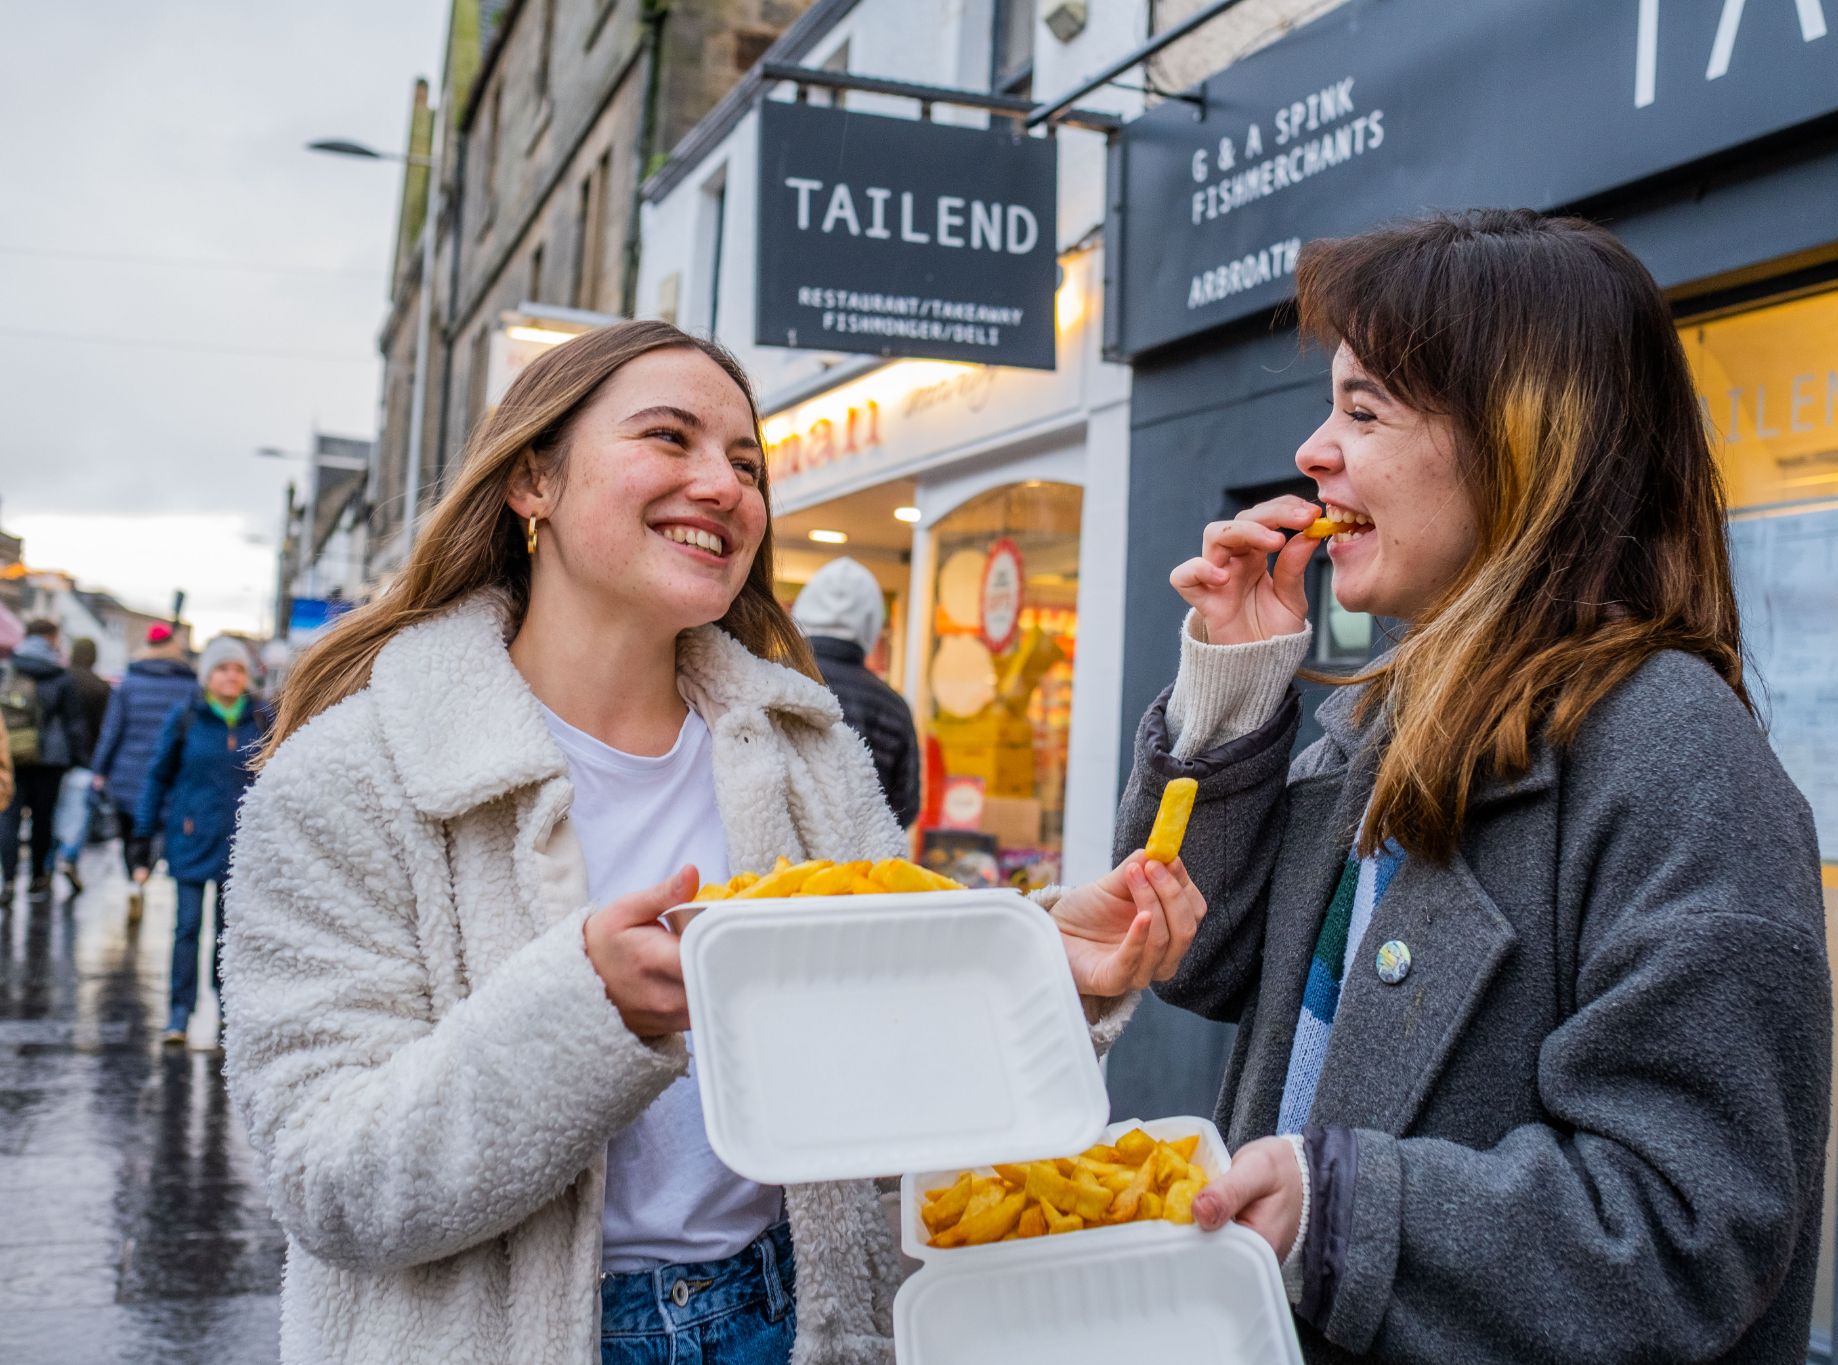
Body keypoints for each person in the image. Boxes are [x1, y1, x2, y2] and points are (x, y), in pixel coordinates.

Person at [222, 321, 1204, 1365]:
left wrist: (1040, 969)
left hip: (794, 1319)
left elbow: (893, 1098)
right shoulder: (355, 773)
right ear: (531, 484)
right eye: (668, 438)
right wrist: (585, 1007)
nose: (725, 486)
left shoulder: (806, 752)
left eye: (745, 463)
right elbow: (327, 1179)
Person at [1115, 211, 1832, 1364]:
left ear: (1523, 444)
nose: (1312, 450)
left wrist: (1339, 1213)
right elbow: (1194, 956)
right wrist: (1237, 688)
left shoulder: (1678, 755)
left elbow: (1683, 1226)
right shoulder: (1382, 716)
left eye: (1364, 409)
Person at [132, 637, 272, 1045]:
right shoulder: (185, 718)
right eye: (222, 668)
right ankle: (179, 1014)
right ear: (207, 675)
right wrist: (143, 835)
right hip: (190, 839)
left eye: (238, 669)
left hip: (241, 845)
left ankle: (227, 1010)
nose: (231, 676)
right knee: (187, 928)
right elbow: (158, 777)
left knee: (229, 933)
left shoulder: (261, 719)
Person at [790, 557, 920, 827]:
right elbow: (905, 807)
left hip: (767, 865)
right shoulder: (893, 707)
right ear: (872, 625)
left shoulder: (768, 676)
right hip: (859, 865)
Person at [91, 622, 198, 921]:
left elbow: (112, 731)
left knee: (131, 832)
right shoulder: (188, 685)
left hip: (128, 770)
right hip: (169, 774)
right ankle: (145, 872)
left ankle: (133, 879)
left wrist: (100, 768)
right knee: (158, 829)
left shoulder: (128, 682)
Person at [0, 619, 90, 900]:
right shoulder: (59, 673)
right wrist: (79, 758)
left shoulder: (9, 668)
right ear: (51, 638)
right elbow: (74, 723)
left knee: (9, 818)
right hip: (50, 759)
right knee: (43, 819)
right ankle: (39, 876)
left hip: (13, 753)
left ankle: (9, 879)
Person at [51, 636, 111, 894]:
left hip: (56, 759)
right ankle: (69, 855)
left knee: (55, 810)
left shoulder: (60, 679)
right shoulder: (101, 687)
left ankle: (46, 864)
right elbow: (106, 729)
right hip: (88, 759)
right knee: (81, 812)